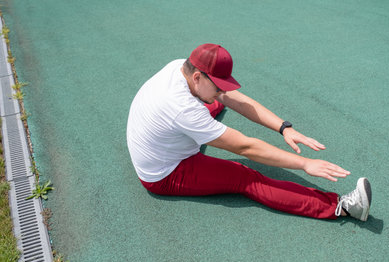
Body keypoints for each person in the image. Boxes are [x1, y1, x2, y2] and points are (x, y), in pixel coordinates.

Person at [127, 43, 372, 221]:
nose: (222, 90)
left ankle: (210, 105)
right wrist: (305, 163)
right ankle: (343, 206)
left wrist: (283, 127)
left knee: (214, 102)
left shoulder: (180, 67)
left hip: (164, 138)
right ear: (198, 76)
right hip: (165, 172)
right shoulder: (183, 109)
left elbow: (231, 97)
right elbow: (245, 147)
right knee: (244, 178)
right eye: (218, 86)